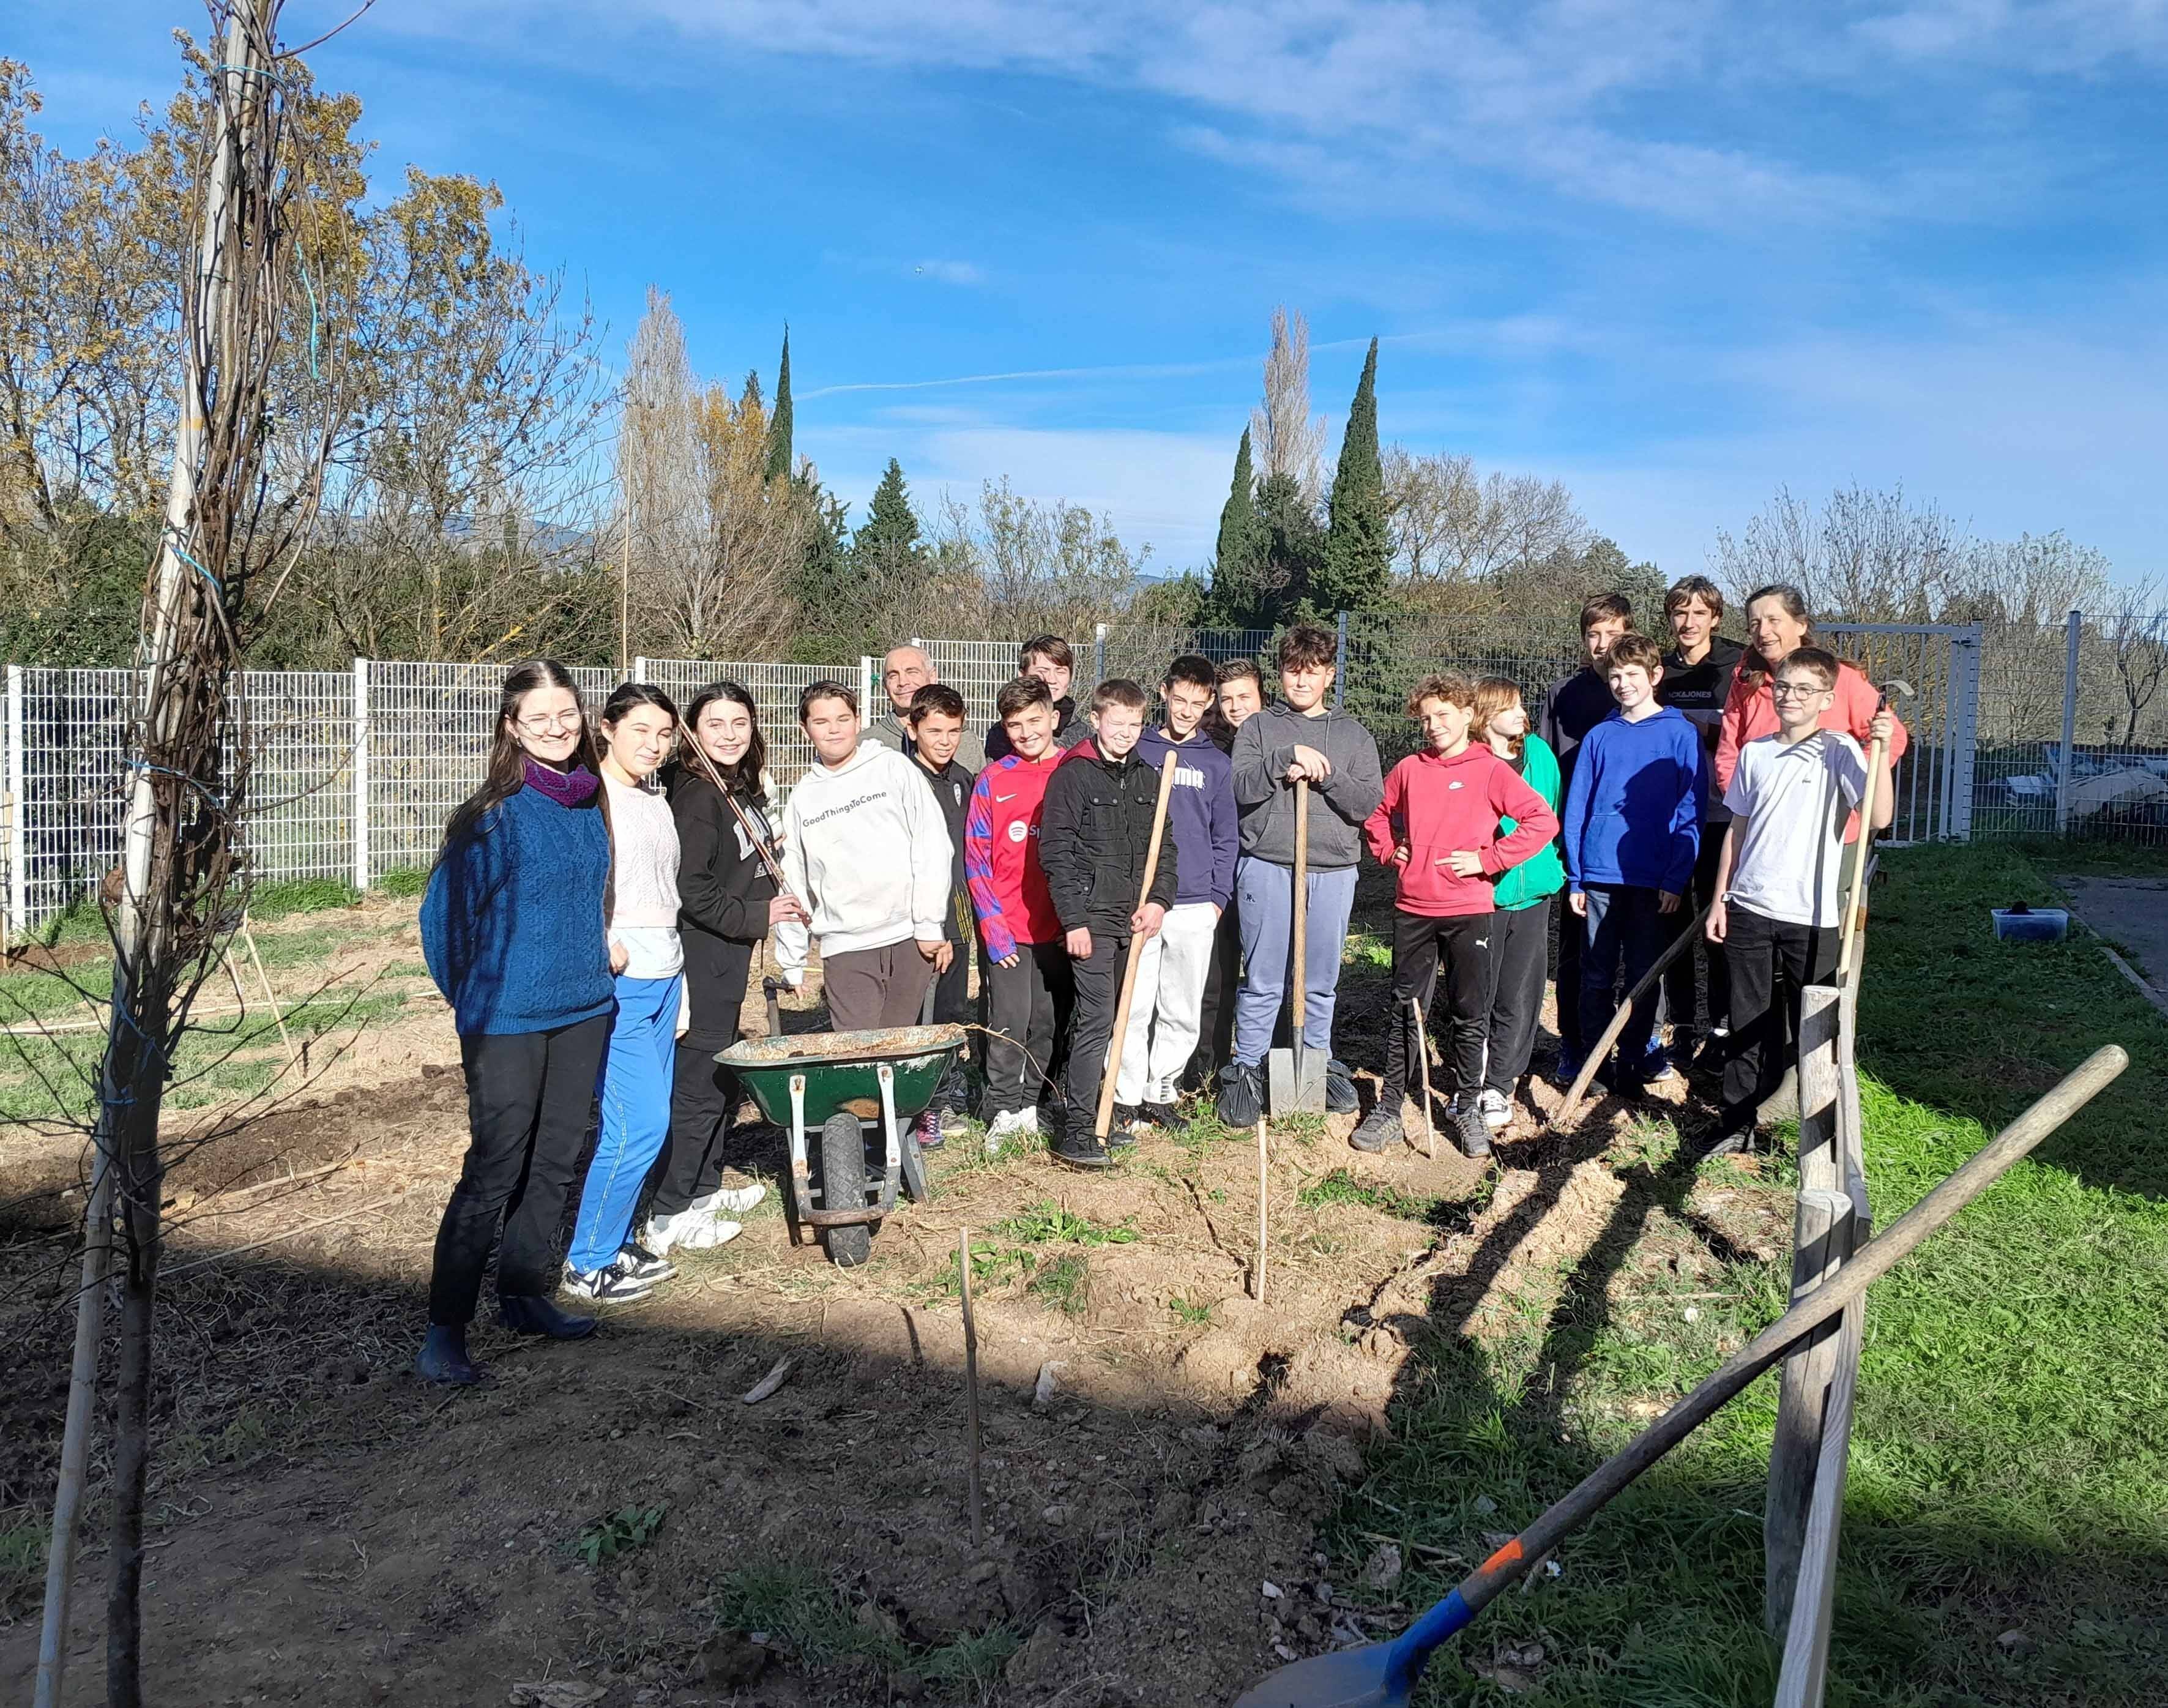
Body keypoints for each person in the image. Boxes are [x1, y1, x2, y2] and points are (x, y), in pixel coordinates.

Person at [415, 661, 616, 1384]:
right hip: (506, 1020)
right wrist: (478, 1000)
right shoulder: (490, 819)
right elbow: (442, 925)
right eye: (540, 718)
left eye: (568, 714)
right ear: (511, 728)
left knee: (557, 1159)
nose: (558, 729)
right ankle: (446, 1326)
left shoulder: (588, 802)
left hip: (585, 1010)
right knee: (496, 1167)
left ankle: (525, 1292)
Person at [1357, 674, 1558, 1158]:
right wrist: (1389, 852)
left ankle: (1467, 1108)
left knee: (1470, 1014)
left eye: (1442, 715)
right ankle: (1387, 1108)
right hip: (1414, 910)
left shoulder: (1489, 770)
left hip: (1469, 910)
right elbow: (1377, 817)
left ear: (1468, 716)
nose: (1433, 726)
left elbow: (1541, 821)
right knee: (1406, 1008)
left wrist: (1488, 861)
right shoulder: (1409, 768)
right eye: (1425, 718)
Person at [1705, 647, 1894, 1155]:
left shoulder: (1839, 751)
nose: (1790, 696)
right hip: (1749, 905)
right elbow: (1736, 831)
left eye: (1804, 690)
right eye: (1784, 687)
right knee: (1746, 1016)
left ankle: (1820, 1131)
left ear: (1826, 699)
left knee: (1815, 1026)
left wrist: (1880, 753)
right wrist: (1722, 897)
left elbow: (1877, 817)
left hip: (1809, 915)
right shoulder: (1755, 752)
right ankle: (1737, 1122)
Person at [644, 682, 800, 1256]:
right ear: (693, 732)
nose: (730, 734)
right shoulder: (696, 797)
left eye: (740, 722)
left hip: (727, 965)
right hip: (702, 959)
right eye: (715, 724)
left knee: (718, 1080)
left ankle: (704, 1190)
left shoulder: (731, 789)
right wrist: (760, 913)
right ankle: (670, 1211)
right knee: (697, 1090)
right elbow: (692, 890)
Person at [1218, 624, 1385, 1127]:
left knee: (1320, 980)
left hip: (1331, 869)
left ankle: (1316, 1063)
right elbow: (1240, 788)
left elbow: (1365, 803)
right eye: (1293, 670)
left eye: (1312, 671)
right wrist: (1281, 760)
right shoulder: (1259, 729)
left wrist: (1327, 773)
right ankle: (1246, 1070)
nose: (1301, 680)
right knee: (1264, 978)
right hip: (1268, 863)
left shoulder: (1354, 735)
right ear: (1281, 674)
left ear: (1329, 675)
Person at [562, 684, 688, 1306]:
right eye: (640, 730)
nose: (654, 744)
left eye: (664, 733)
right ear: (606, 728)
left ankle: (613, 1242)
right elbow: (579, 884)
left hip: (665, 972)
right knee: (636, 1126)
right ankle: (587, 1261)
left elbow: (664, 891)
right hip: (625, 981)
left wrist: (680, 981)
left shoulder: (652, 798)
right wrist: (599, 939)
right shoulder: (593, 798)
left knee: (646, 1121)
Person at [1715, 584, 1910, 936]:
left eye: (1774, 620)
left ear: (1801, 625)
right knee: (1758, 926)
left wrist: (1851, 791)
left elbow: (1891, 737)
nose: (1763, 631)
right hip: (1765, 834)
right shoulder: (1746, 682)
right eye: (1754, 623)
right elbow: (1731, 754)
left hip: (1828, 833)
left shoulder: (1841, 680)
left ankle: (1816, 989)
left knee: (1818, 930)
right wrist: (1756, 804)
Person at [1038, 678, 1179, 1166]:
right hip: (1090, 921)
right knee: (1098, 1020)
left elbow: (1165, 850)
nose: (1125, 733)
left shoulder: (1147, 776)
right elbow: (1055, 853)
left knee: (1117, 1021)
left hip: (1132, 922)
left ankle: (1098, 1115)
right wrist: (1073, 921)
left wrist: (1159, 901)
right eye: (1116, 723)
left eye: (1135, 724)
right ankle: (1077, 1129)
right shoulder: (1072, 775)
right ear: (1096, 720)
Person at [1560, 632, 1707, 1096]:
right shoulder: (1600, 736)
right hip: (1600, 875)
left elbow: (1690, 809)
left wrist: (1676, 875)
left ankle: (1635, 1059)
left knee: (1643, 974)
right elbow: (1578, 805)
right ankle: (1594, 1061)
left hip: (1652, 877)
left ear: (1655, 676)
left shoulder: (1679, 733)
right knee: (1596, 972)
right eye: (1615, 675)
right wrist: (1577, 876)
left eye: (1632, 675)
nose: (1622, 683)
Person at [773, 680, 953, 1029]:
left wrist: (929, 923)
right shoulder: (803, 798)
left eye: (842, 718)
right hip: (846, 946)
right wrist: (792, 958)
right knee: (858, 1053)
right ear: (805, 728)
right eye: (821, 722)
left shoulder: (893, 768)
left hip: (907, 937)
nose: (834, 729)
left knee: (899, 1051)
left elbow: (931, 845)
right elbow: (793, 881)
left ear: (858, 721)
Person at [1114, 654, 1237, 1128]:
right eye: (1178, 699)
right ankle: (1123, 1092)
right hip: (1143, 900)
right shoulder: (1137, 748)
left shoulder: (1214, 762)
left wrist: (1215, 898)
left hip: (1192, 902)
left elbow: (1226, 836)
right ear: (1163, 693)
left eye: (1196, 703)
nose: (1185, 710)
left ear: (1208, 703)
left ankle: (1159, 1090)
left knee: (1181, 1005)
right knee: (1135, 999)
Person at [965, 676, 1073, 1144]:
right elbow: (975, 857)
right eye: (1015, 725)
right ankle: (1003, 1108)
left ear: (1053, 717)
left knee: (1046, 1020)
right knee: (1009, 1018)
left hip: (1059, 927)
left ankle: (1032, 1102)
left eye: (1034, 720)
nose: (1027, 732)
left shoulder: (1073, 769)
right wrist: (993, 925)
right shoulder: (993, 779)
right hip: (1009, 928)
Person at [1540, 593, 1635, 1083]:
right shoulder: (1563, 694)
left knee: (1631, 950)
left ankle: (1637, 1045)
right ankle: (1573, 1045)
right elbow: (1546, 771)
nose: (1602, 645)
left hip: (1631, 846)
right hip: (1577, 844)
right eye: (1593, 635)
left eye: (1613, 635)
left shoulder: (1636, 698)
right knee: (1577, 952)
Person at [1470, 677, 1566, 1132]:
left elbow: (1549, 813)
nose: (1521, 713)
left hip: (1534, 893)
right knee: (1480, 989)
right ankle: (1473, 1073)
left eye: (1521, 705)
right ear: (1486, 716)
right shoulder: (1470, 762)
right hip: (1484, 893)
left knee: (1520, 991)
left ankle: (1501, 1084)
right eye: (1510, 707)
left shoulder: (1542, 756)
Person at [1656, 576, 1744, 1066]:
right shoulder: (1658, 671)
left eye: (1697, 614)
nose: (1687, 623)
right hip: (1668, 819)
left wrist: (1690, 727)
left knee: (1718, 923)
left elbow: (1743, 735)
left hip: (1720, 815)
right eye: (1678, 613)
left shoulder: (1735, 666)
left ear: (1715, 617)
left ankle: (1722, 1024)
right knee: (1672, 922)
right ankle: (1682, 1023)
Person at [1186, 658, 1267, 1087]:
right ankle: (1208, 1067)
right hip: (1215, 874)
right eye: (1227, 698)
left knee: (1262, 975)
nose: (1235, 706)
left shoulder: (1275, 738)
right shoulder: (1208, 745)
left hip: (1263, 869)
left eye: (1244, 697)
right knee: (1214, 975)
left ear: (1261, 697)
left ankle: (1261, 1063)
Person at [905, 682, 978, 1145]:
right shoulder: (900, 779)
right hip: (919, 915)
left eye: (953, 730)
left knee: (951, 1008)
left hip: (960, 911)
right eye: (934, 731)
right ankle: (914, 1106)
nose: (945, 740)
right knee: (918, 1011)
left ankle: (943, 1097)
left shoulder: (962, 779)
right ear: (912, 730)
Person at [866, 643, 986, 771]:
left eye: (912, 672)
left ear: (933, 676)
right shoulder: (868, 744)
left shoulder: (967, 741)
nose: (903, 682)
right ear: (885, 685)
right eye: (893, 676)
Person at [984, 635, 1088, 760]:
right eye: (1043, 671)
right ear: (1022, 675)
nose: (1051, 679)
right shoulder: (1000, 735)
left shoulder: (1085, 736)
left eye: (1060, 671)